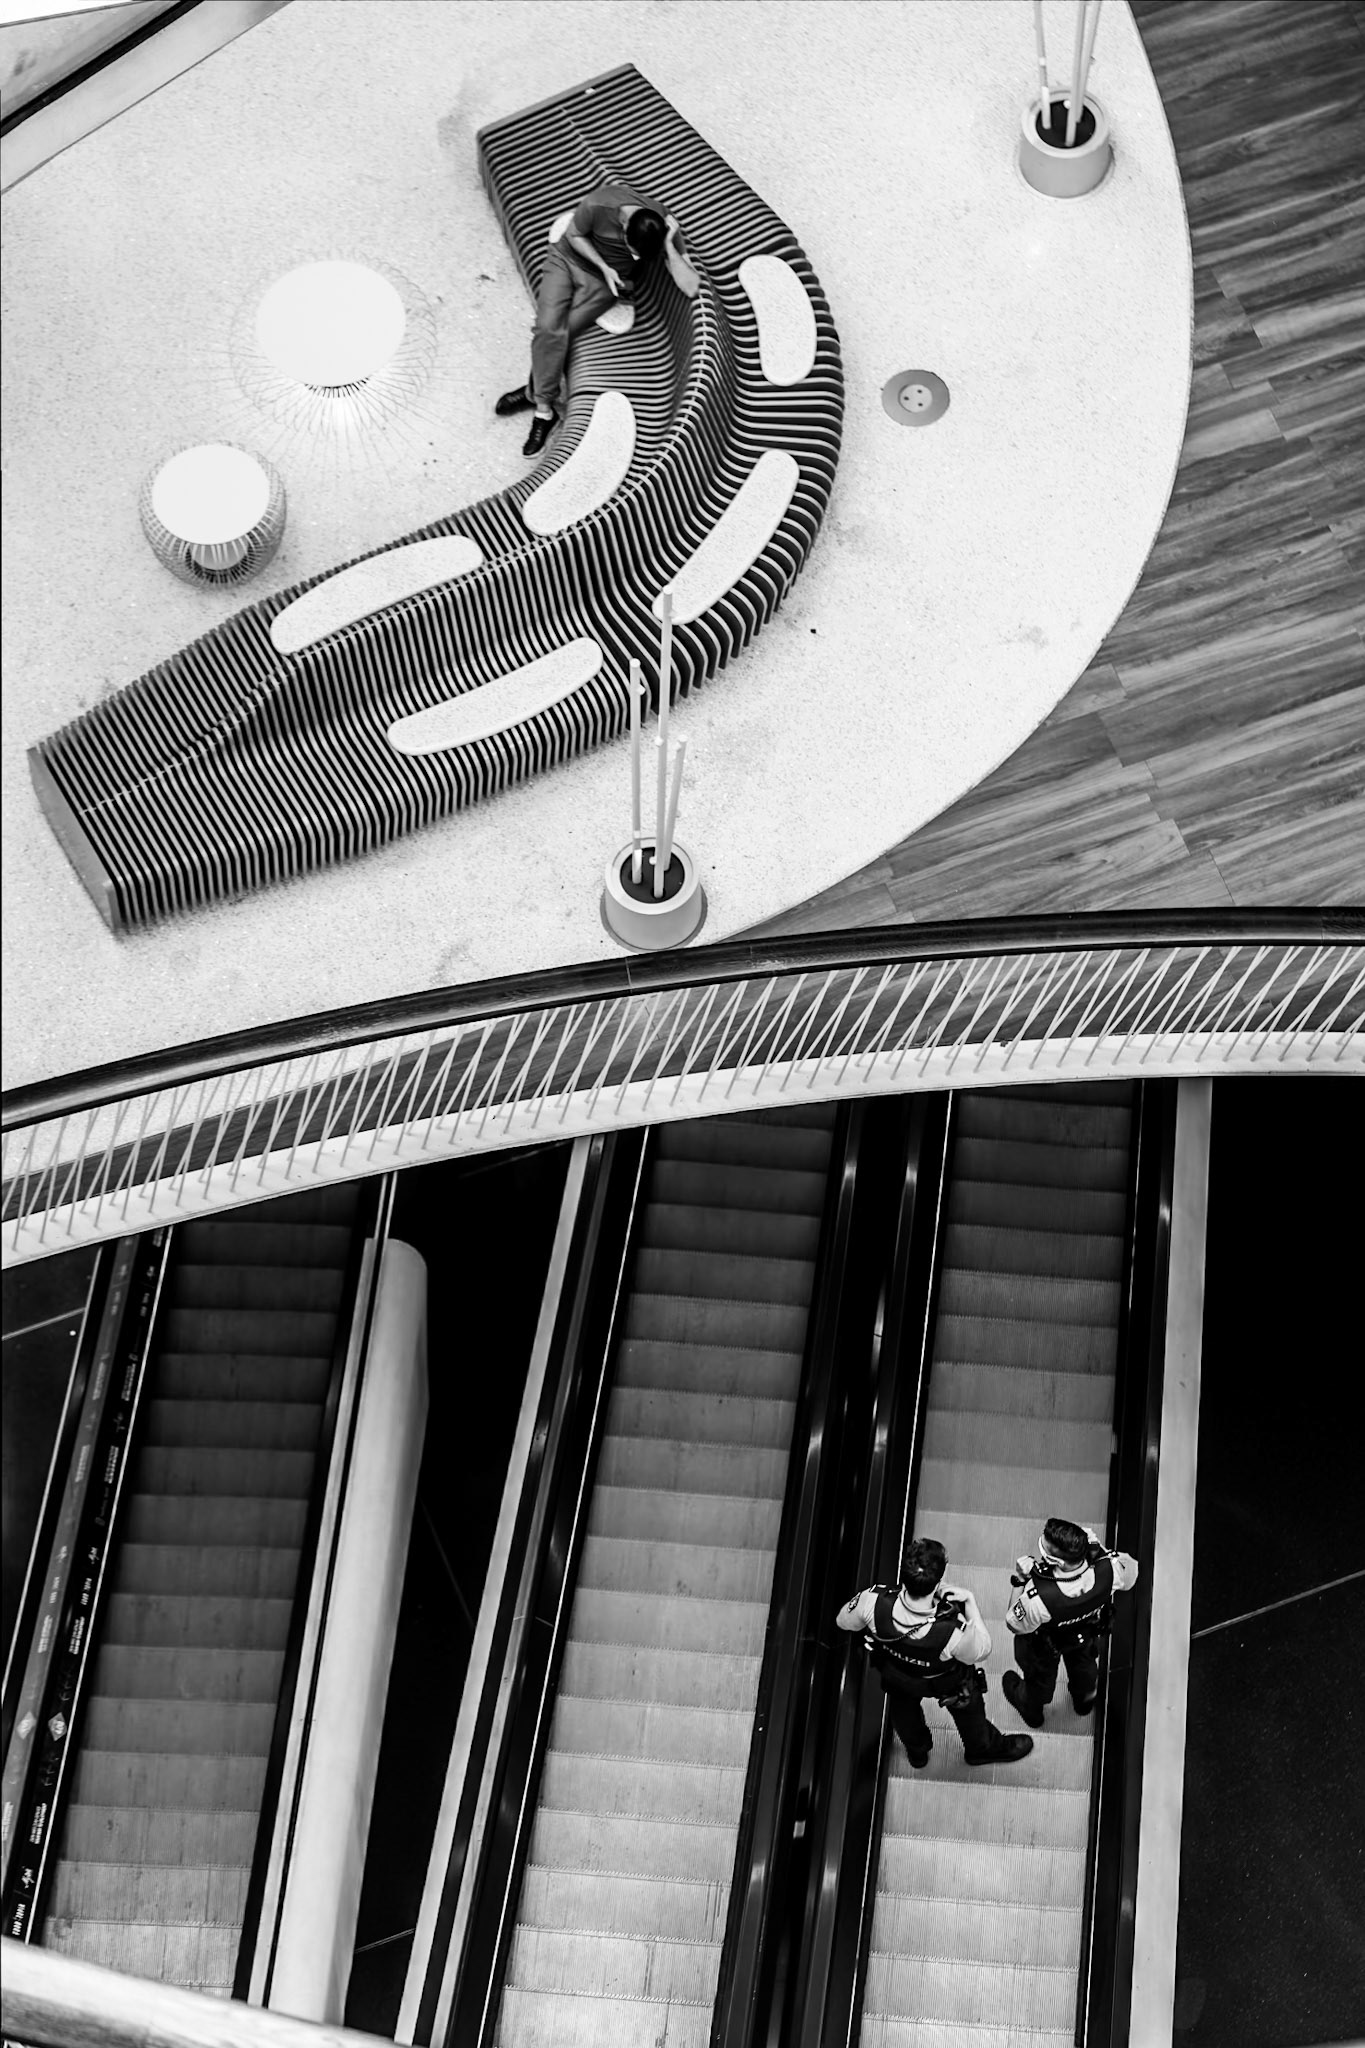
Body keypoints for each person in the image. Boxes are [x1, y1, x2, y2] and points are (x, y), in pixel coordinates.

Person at [495, 184, 701, 456]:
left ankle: (540, 404)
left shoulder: (658, 223)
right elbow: (574, 234)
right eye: (632, 249)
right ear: (624, 225)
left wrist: (670, 245)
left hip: (609, 283)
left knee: (560, 332)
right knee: (547, 328)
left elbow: (691, 286)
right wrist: (604, 266)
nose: (635, 257)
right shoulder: (600, 203)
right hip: (567, 259)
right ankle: (543, 405)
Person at [836, 1536, 1033, 1768]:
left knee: (903, 1712)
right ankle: (981, 1750)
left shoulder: (871, 1602)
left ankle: (917, 1753)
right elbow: (982, 1650)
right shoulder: (952, 1632)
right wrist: (969, 1603)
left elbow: (843, 1622)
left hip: (897, 1675)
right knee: (970, 1711)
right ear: (938, 1581)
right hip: (947, 1683)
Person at [1002, 1516, 1140, 1727]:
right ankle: (1084, 1701)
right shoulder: (1111, 1570)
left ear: (1056, 1562)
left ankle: (1032, 1711)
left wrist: (1020, 1579)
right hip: (1086, 1632)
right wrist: (1096, 1547)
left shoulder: (1037, 1599)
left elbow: (1014, 1625)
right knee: (1084, 1668)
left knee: (1040, 1677)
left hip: (1047, 1641)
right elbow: (1130, 1576)